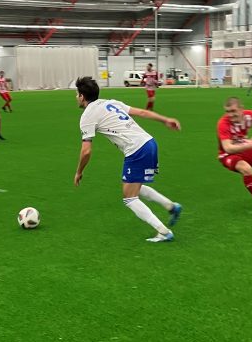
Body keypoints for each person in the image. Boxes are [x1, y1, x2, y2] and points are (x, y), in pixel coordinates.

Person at [74, 77, 182, 243]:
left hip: (136, 149)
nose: (76, 98)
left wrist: (79, 172)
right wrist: (165, 120)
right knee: (134, 186)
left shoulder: (87, 116)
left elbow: (86, 151)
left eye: (77, 94)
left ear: (82, 96)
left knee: (129, 198)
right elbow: (142, 112)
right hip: (149, 143)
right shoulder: (111, 103)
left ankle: (164, 232)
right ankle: (171, 207)